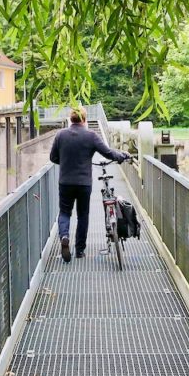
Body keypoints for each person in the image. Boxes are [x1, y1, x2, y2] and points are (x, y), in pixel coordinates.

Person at [49, 107, 130, 262]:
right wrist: (121, 156)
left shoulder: (60, 135)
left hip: (65, 181)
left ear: (70, 119)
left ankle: (64, 236)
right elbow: (108, 153)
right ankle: (79, 251)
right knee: (83, 215)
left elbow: (53, 157)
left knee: (65, 212)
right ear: (84, 120)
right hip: (84, 183)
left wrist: (66, 162)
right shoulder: (91, 136)